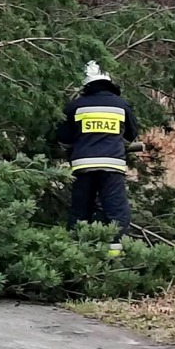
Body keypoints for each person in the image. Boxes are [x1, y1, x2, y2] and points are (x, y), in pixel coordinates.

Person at [59, 61, 138, 255]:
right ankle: (115, 255)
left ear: (86, 85)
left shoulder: (75, 106)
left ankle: (77, 253)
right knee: (116, 210)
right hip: (112, 166)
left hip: (82, 166)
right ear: (109, 83)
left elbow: (63, 137)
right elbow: (131, 134)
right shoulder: (121, 105)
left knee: (80, 211)